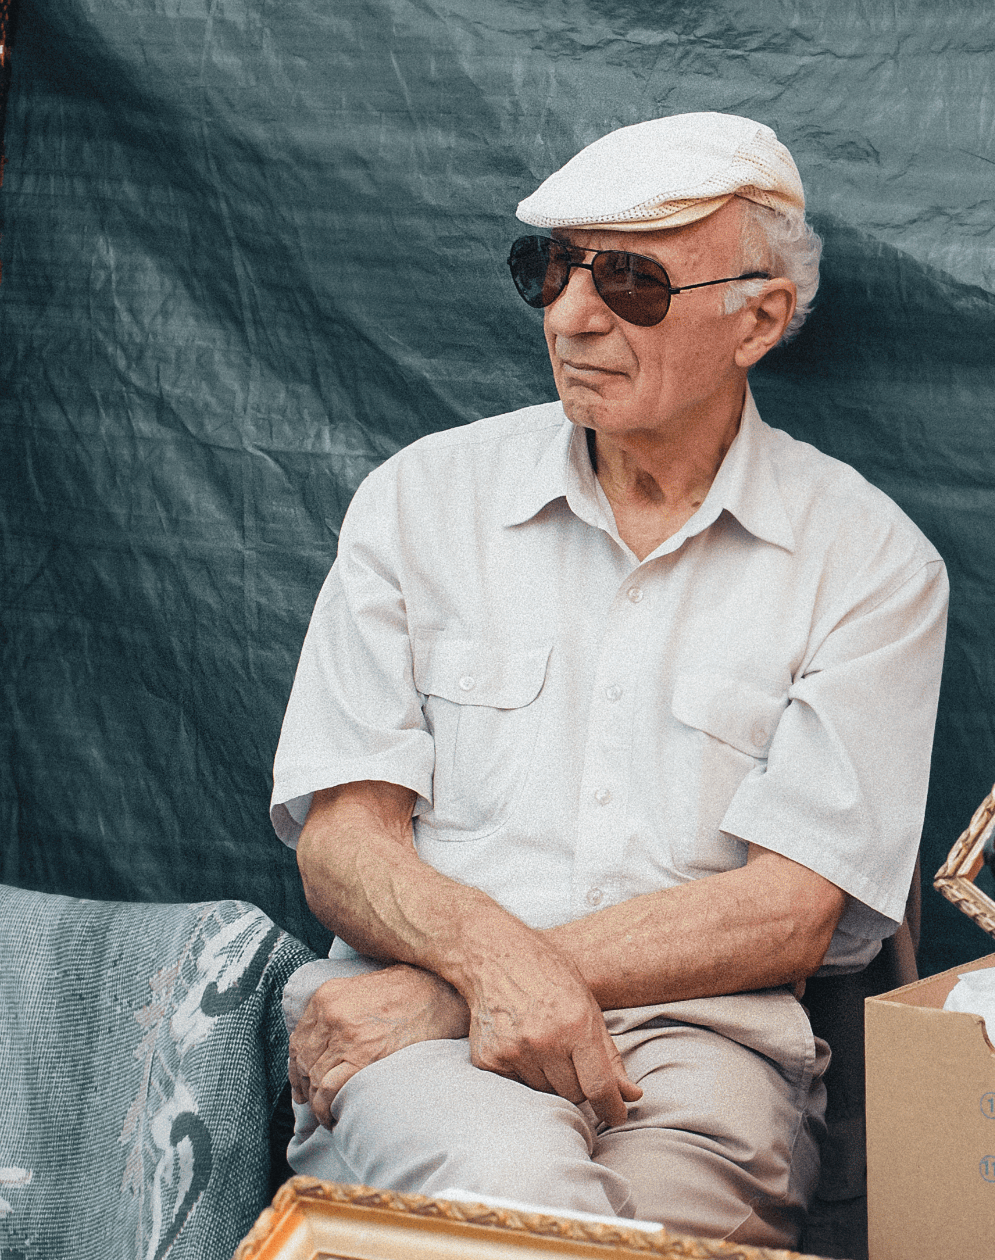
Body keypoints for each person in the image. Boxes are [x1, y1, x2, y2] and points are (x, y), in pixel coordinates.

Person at [266, 113, 948, 1244]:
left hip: (703, 1054)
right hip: (424, 1059)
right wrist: (478, 975)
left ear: (757, 318)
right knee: (517, 1196)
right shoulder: (420, 501)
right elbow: (343, 839)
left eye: (631, 282)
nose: (570, 315)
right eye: (551, 269)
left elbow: (791, 910)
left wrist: (466, 982)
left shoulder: (869, 563)